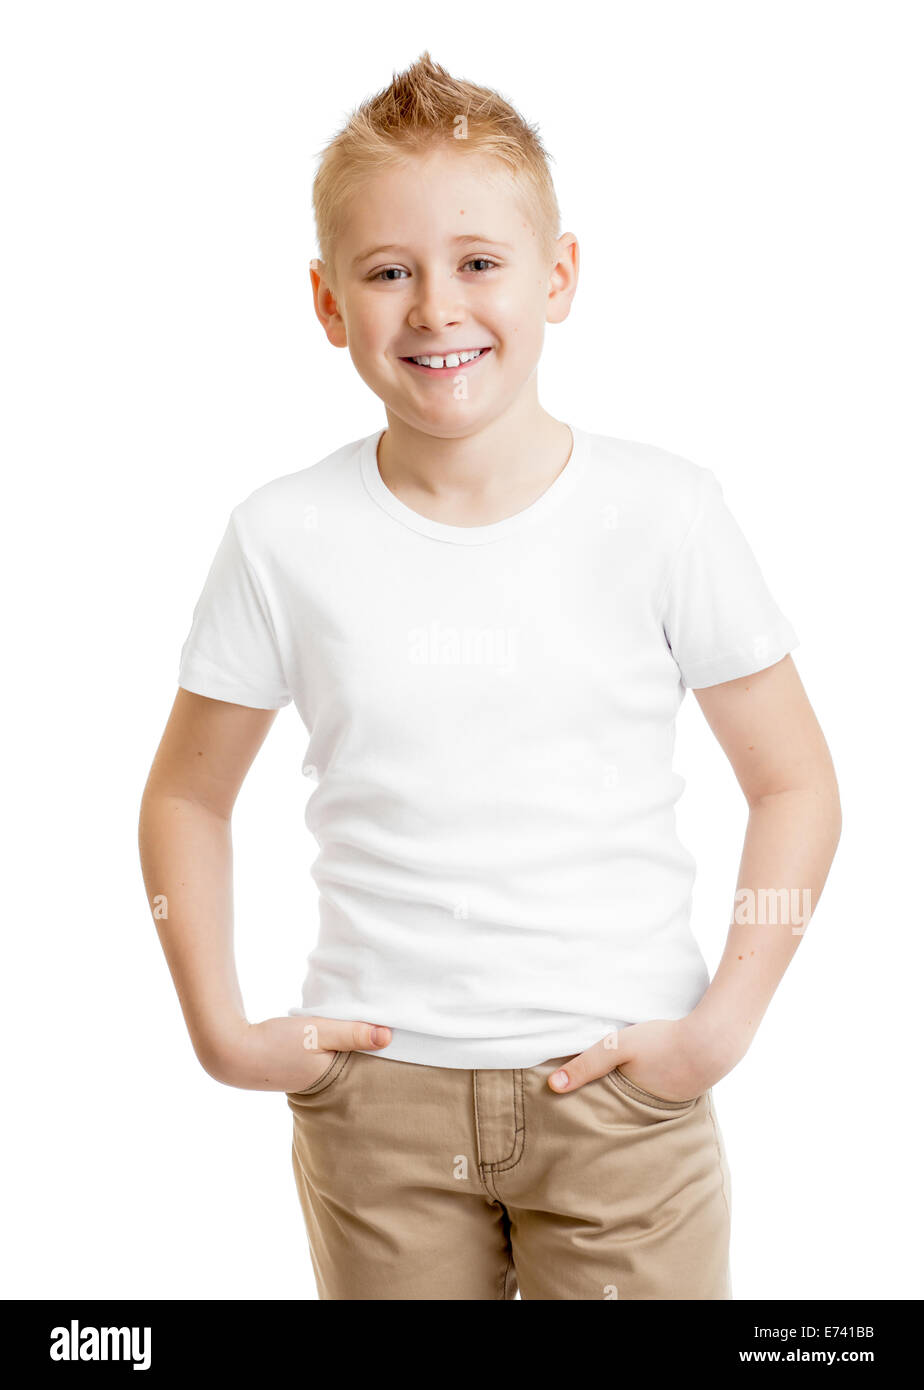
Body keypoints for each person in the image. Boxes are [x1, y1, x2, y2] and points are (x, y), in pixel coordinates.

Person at [138, 51, 841, 1300]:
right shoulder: (282, 535)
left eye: (478, 262)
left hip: (619, 1096)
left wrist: (718, 1030)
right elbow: (187, 795)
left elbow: (795, 783)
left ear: (556, 276)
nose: (435, 308)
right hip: (377, 1103)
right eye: (388, 271)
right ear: (327, 301)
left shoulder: (665, 514)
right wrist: (224, 1034)